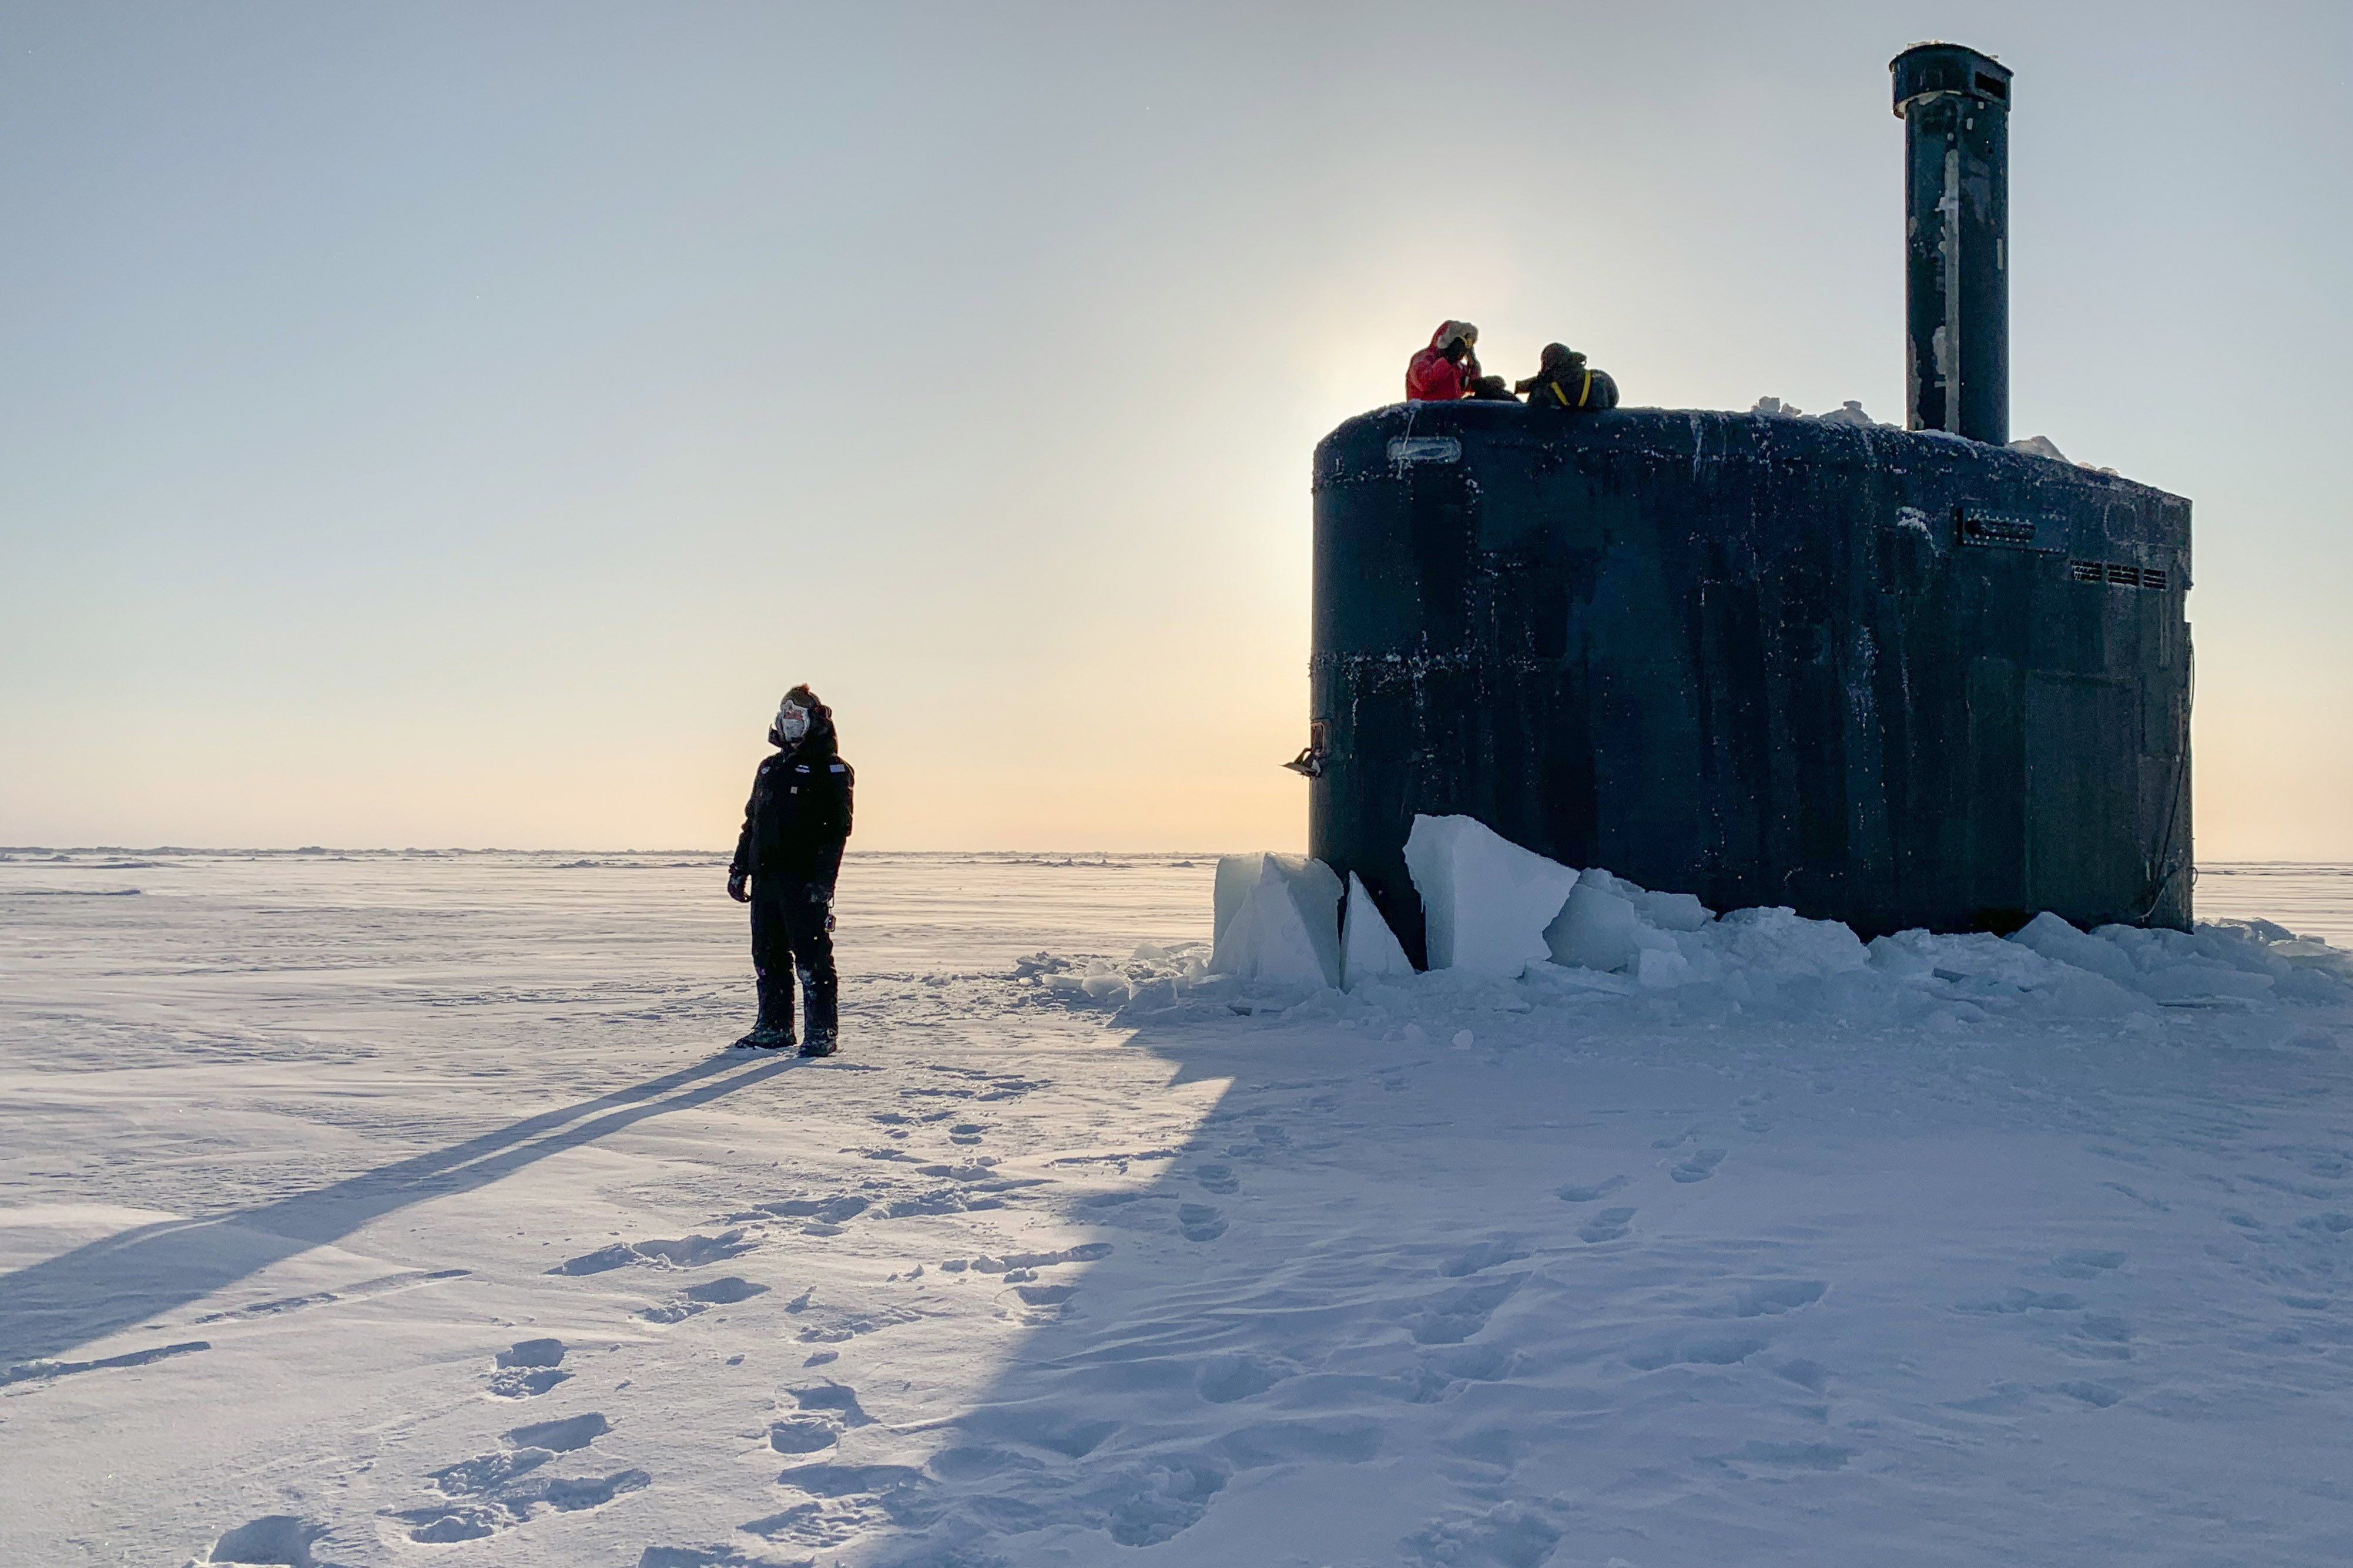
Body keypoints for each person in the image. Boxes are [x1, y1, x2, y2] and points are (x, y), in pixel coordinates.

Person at [727, 685, 853, 1055]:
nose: (792, 724)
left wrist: (823, 883)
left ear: (813, 721)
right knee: (767, 955)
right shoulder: (769, 768)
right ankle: (775, 1027)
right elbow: (752, 822)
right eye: (787, 717)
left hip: (804, 882)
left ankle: (821, 1033)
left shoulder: (832, 770)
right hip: (766, 877)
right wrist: (739, 868)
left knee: (812, 958)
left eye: (798, 717)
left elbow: (836, 833)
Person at [1406, 320, 1516, 402]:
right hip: (1428, 413)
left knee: (1498, 396)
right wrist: (1449, 359)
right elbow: (1425, 382)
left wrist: (1483, 382)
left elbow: (1470, 385)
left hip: (1451, 413)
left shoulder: (1458, 367)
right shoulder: (1424, 358)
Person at [1515, 343, 1620, 412]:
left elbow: (1532, 415)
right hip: (1599, 435)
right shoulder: (1599, 378)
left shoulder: (1545, 388)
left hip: (1562, 437)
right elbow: (1614, 400)